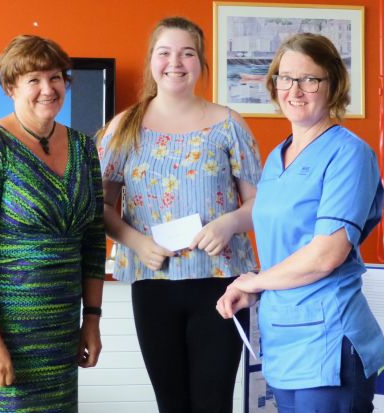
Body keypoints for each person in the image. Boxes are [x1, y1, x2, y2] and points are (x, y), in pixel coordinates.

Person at [216, 32, 384, 413]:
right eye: (285, 78)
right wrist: (255, 290)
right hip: (284, 340)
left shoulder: (349, 154)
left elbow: (326, 254)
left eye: (309, 79)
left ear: (332, 85)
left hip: (329, 342)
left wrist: (254, 280)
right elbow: (289, 248)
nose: (295, 89)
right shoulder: (277, 158)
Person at [97, 16, 261, 413]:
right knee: (171, 403)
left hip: (221, 285)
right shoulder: (124, 128)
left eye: (187, 53)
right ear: (152, 60)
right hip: (153, 282)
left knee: (213, 402)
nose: (176, 62)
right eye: (165, 52)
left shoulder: (228, 124)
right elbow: (99, 206)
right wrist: (137, 242)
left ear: (201, 63)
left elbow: (261, 203)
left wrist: (230, 223)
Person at [0, 34, 105, 412]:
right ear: (10, 87)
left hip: (60, 342)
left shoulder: (83, 148)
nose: (48, 89)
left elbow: (94, 241)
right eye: (34, 79)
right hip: (2, 341)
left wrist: (92, 320)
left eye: (56, 77)